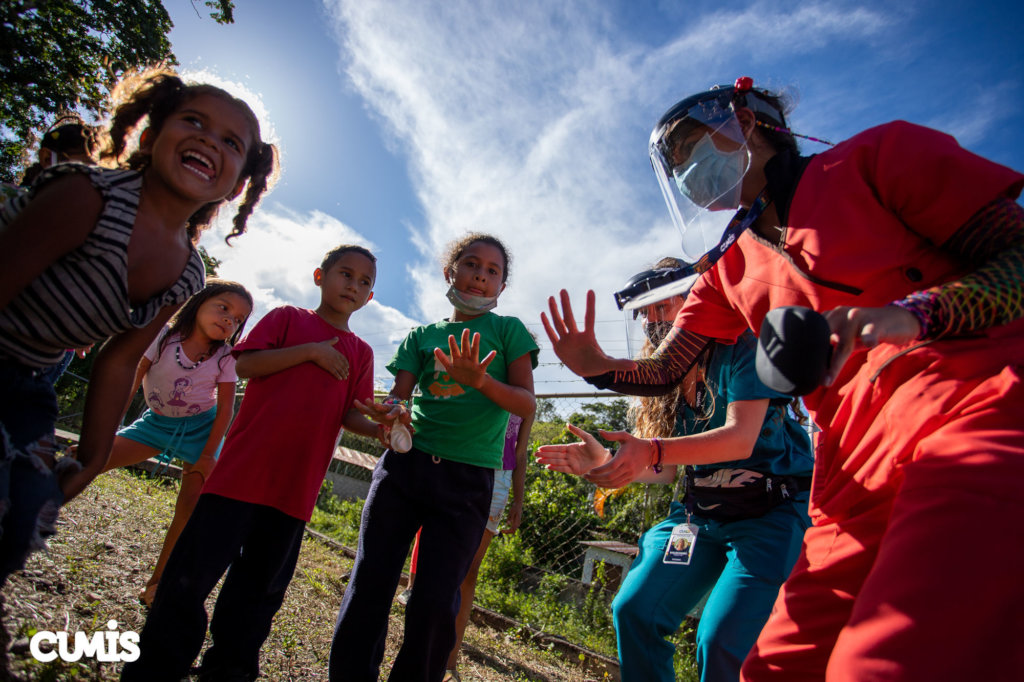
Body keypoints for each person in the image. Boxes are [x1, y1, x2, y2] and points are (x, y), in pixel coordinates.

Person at [542, 77, 1024, 681]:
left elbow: (1018, 256)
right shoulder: (730, 267)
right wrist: (599, 368)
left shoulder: (877, 159)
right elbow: (666, 369)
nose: (690, 173)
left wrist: (917, 313)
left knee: (886, 662)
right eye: (678, 166)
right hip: (849, 464)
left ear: (745, 125)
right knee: (774, 666)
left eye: (694, 149)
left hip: (972, 403)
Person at [0, 66, 278, 585]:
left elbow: (121, 358)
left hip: (32, 380)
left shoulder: (186, 268)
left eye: (231, 141)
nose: (207, 139)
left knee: (27, 513)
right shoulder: (87, 195)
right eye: (192, 120)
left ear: (238, 183)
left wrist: (92, 455)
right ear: (149, 137)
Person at [536, 258, 813, 682]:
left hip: (769, 517)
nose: (652, 322)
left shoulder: (742, 346)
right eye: (644, 313)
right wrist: (605, 464)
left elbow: (739, 438)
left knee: (721, 642)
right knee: (635, 612)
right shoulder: (658, 384)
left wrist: (652, 450)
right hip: (698, 517)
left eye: (661, 307)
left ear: (696, 302)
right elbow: (665, 470)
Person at [122, 245, 388, 681]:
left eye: (364, 282)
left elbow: (351, 414)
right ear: (320, 276)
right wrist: (311, 352)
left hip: (294, 492)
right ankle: (156, 665)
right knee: (191, 576)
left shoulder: (360, 352)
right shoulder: (287, 318)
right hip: (239, 476)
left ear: (370, 298)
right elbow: (244, 363)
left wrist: (377, 427)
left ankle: (229, 670)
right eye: (345, 274)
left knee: (258, 594)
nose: (353, 286)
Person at [329, 233, 538, 682]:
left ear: (502, 288)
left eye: (492, 270)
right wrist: (390, 412)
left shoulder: (509, 332)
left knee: (434, 600)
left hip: (467, 484)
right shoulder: (422, 337)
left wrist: (480, 381)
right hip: (405, 470)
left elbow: (525, 404)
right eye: (470, 264)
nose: (480, 275)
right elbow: (400, 398)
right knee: (372, 580)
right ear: (450, 272)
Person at [101, 279, 254, 607]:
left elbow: (226, 408)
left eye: (239, 319)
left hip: (203, 433)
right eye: (224, 308)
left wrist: (209, 455)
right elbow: (131, 376)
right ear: (199, 302)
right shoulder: (163, 337)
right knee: (94, 458)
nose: (230, 319)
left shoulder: (227, 356)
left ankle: (157, 586)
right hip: (156, 424)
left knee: (188, 512)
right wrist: (107, 427)